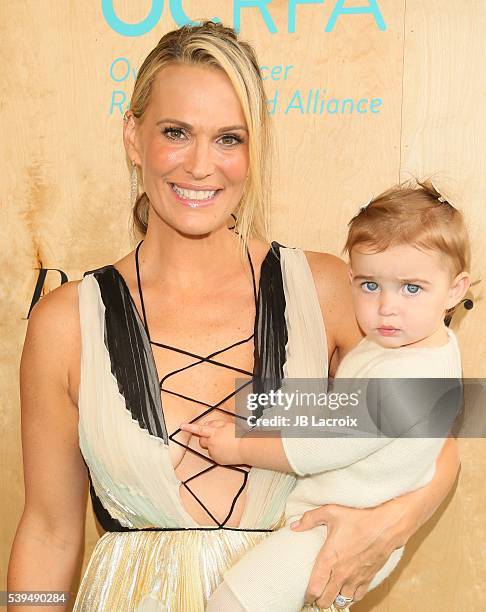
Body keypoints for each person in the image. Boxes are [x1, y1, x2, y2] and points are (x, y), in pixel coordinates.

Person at [7, 21, 461, 612]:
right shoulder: (67, 322)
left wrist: (393, 523)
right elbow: (48, 531)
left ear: (254, 150)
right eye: (176, 132)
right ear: (132, 138)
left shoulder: (329, 291)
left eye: (228, 138)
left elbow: (428, 434)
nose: (201, 165)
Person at [189, 183, 471, 611]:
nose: (386, 307)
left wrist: (238, 444)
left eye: (411, 288)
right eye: (369, 285)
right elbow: (332, 408)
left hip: (335, 530)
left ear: (455, 290)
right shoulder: (414, 343)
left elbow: (321, 443)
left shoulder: (411, 377)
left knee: (231, 604)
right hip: (334, 516)